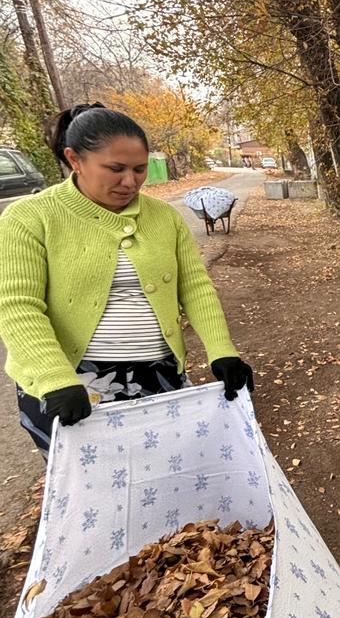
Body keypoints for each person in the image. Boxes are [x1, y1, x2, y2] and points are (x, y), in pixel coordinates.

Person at [0, 104, 253, 454]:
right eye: (115, 169)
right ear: (75, 159)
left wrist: (221, 351)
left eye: (139, 169)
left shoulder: (164, 217)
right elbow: (17, 307)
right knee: (98, 495)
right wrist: (55, 378)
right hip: (72, 384)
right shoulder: (30, 218)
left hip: (159, 375)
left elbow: (195, 286)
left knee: (169, 477)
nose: (130, 181)